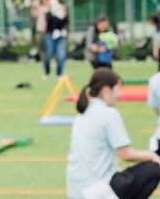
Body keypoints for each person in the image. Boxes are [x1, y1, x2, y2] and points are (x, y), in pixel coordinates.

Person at [67, 69, 160, 199]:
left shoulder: (82, 114)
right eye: (118, 89)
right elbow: (125, 154)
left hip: (76, 190)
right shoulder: (109, 113)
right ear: (106, 91)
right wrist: (152, 155)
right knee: (154, 168)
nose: (120, 94)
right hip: (96, 190)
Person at [42, 0, 68, 79]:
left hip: (60, 36)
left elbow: (65, 23)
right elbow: (48, 21)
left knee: (61, 56)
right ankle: (47, 72)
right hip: (50, 35)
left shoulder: (62, 12)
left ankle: (59, 74)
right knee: (48, 55)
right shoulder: (49, 12)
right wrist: (51, 10)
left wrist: (63, 14)